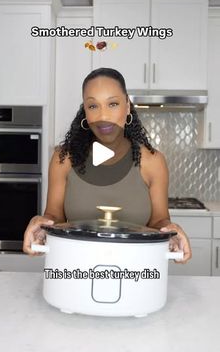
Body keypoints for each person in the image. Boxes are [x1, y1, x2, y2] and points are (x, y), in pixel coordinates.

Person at [23, 67, 192, 263]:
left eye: (112, 104)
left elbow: (159, 222)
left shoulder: (153, 162)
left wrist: (171, 231)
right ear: (85, 111)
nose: (103, 115)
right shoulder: (64, 158)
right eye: (93, 106)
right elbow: (54, 217)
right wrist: (41, 224)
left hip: (137, 274)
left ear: (127, 106)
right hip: (75, 271)